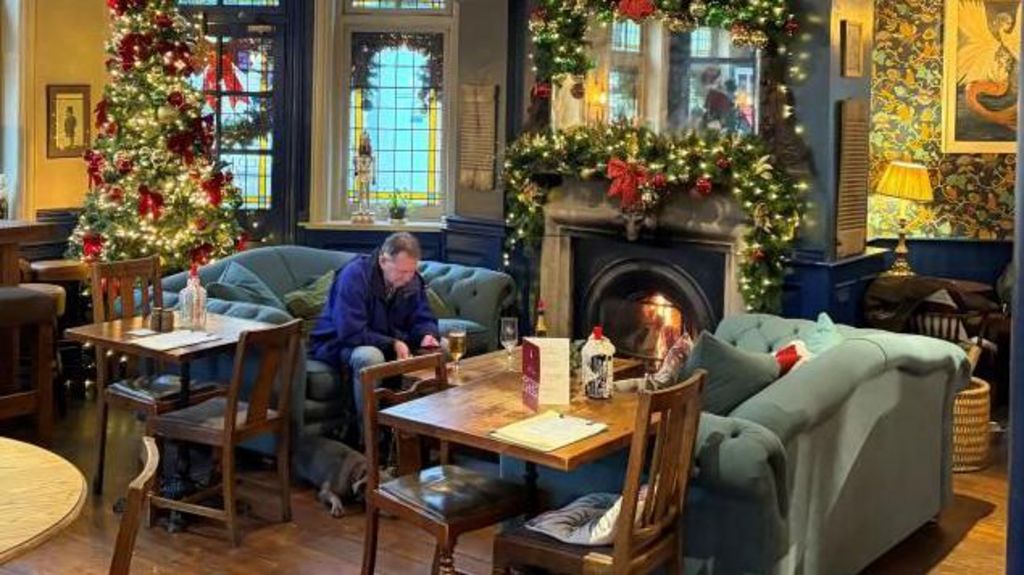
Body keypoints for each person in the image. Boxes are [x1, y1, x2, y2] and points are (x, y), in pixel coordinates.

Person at [309, 232, 441, 420]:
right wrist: (392, 343)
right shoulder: (354, 276)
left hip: (387, 339)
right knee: (370, 356)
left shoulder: (412, 280)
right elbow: (351, 331)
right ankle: (369, 438)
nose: (407, 278)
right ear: (383, 260)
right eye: (402, 272)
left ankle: (422, 431)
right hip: (339, 344)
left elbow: (423, 317)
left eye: (411, 271)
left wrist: (427, 334)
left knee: (441, 347)